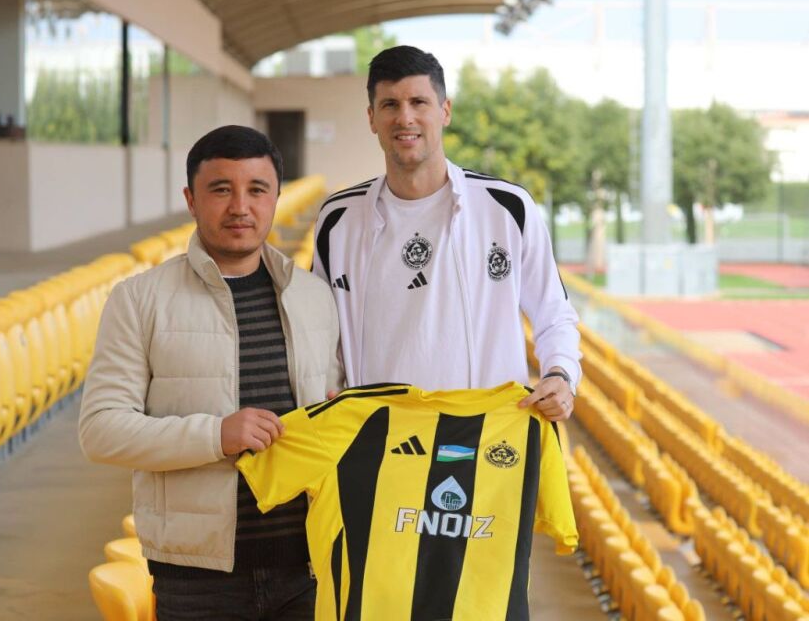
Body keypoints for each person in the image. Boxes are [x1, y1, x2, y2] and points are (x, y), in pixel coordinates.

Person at [79, 125, 344, 620]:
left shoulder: (313, 297)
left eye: (257, 190)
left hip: (306, 569)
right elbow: (100, 431)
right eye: (221, 189)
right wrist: (216, 435)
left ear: (275, 198)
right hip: (196, 579)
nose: (240, 206)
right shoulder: (139, 300)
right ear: (191, 200)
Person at [312, 45, 580, 419]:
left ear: (445, 111)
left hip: (488, 434)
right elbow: (320, 333)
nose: (405, 118)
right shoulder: (338, 219)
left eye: (418, 102)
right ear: (372, 118)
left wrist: (561, 373)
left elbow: (554, 313)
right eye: (390, 105)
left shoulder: (507, 207)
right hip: (380, 435)